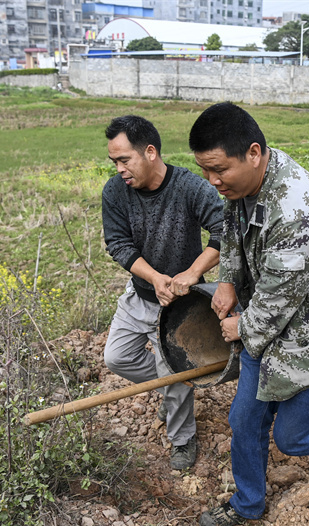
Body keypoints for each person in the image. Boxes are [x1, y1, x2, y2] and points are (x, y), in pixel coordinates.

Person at [188, 102, 309, 526]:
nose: (212, 181)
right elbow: (231, 232)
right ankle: (247, 503)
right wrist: (227, 280)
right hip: (270, 333)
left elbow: (273, 306)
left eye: (218, 169)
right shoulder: (245, 185)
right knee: (244, 420)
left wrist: (237, 326)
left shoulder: (296, 211)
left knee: (293, 439)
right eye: (204, 170)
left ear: (253, 153)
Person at [101, 115, 224, 469]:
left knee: (174, 371)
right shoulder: (115, 192)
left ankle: (183, 439)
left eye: (124, 160)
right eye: (114, 162)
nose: (119, 169)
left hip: (183, 306)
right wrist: (155, 278)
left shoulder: (189, 188)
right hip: (141, 293)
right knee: (117, 358)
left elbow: (225, 231)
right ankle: (174, 390)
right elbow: (118, 244)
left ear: (150, 152)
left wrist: (193, 272)